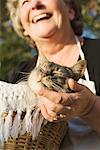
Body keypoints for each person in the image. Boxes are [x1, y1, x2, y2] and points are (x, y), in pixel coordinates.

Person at [6, 0, 100, 149]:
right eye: (25, 1)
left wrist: (90, 107)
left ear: (70, 11)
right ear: (23, 27)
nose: (35, 4)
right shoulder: (14, 77)